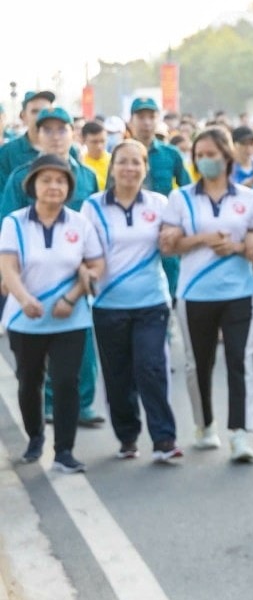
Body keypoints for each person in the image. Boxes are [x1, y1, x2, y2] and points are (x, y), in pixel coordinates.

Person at [159, 128, 253, 463]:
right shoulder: (181, 198)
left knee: (239, 360)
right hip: (194, 293)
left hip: (239, 292)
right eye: (200, 155)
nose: (205, 160)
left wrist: (238, 246)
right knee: (198, 363)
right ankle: (204, 426)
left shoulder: (248, 198)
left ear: (227, 157)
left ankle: (240, 434)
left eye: (211, 154)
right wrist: (202, 239)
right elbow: (168, 246)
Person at [0, 155, 104, 473]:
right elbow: (7, 267)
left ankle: (64, 451)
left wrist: (72, 297)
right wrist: (24, 298)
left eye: (60, 180)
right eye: (46, 180)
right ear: (32, 185)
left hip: (69, 318)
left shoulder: (80, 223)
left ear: (69, 187)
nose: (53, 186)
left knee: (66, 381)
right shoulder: (15, 222)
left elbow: (96, 265)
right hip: (25, 318)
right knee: (29, 381)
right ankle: (35, 438)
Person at [83, 141, 181, 462]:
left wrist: (173, 240)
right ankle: (127, 436)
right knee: (118, 375)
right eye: (123, 162)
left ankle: (164, 439)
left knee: (151, 367)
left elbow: (170, 244)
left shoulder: (159, 203)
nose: (129, 168)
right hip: (108, 305)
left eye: (136, 162)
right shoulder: (93, 206)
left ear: (145, 167)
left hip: (151, 302)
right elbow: (84, 251)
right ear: (112, 168)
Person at [128, 98, 191, 301]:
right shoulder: (121, 155)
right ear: (131, 120)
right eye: (141, 117)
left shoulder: (170, 154)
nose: (146, 122)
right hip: (132, 232)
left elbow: (188, 192)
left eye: (151, 117)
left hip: (166, 231)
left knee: (170, 287)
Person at [0, 90, 56, 192]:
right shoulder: (7, 153)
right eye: (35, 111)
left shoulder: (67, 150)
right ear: (23, 116)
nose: (41, 116)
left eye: (46, 111)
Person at [80, 121, 110, 190]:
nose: (99, 146)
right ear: (84, 140)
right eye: (94, 142)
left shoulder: (113, 162)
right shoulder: (81, 164)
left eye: (102, 141)